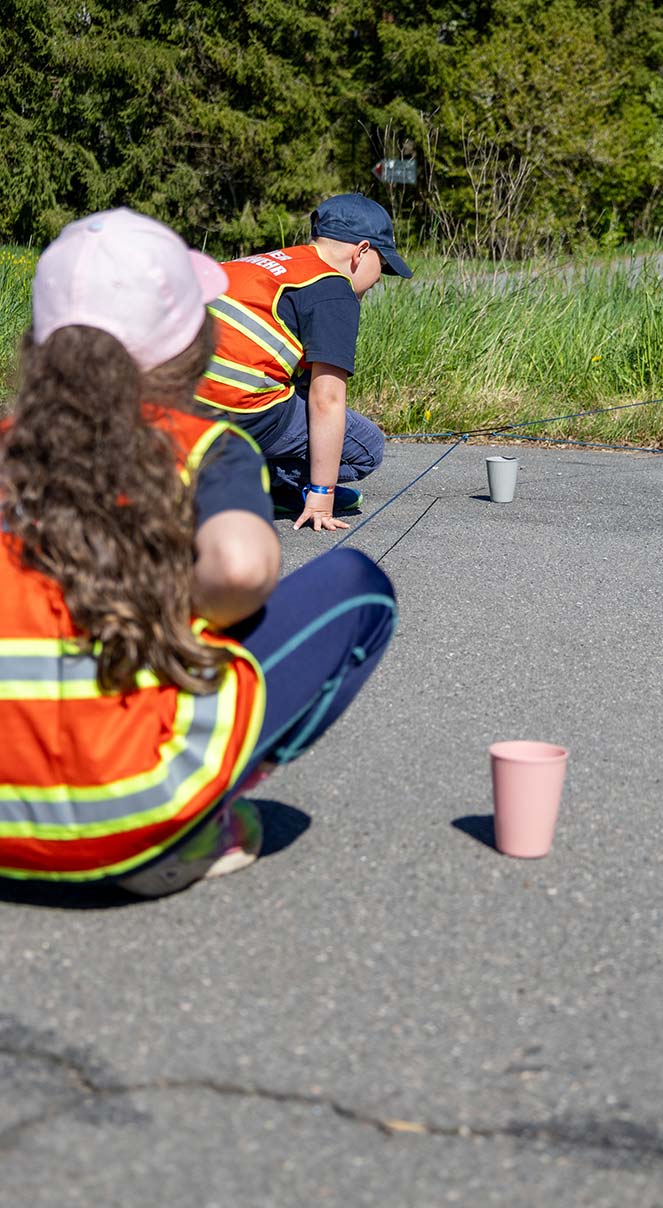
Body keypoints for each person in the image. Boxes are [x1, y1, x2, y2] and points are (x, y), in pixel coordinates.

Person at [0, 208, 396, 898]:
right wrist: (147, 598)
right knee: (361, 588)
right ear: (190, 339)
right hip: (134, 806)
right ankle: (197, 820)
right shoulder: (202, 445)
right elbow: (241, 569)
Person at [196, 193, 413, 533]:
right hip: (241, 410)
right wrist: (322, 496)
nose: (379, 279)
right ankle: (268, 482)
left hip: (182, 403)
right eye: (382, 267)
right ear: (361, 251)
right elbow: (326, 400)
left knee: (297, 385)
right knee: (367, 448)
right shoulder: (334, 289)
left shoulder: (263, 263)